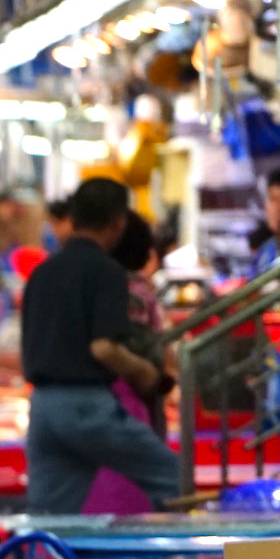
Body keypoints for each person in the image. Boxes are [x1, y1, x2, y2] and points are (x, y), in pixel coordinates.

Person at [20, 178, 175, 514]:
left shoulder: (41, 273)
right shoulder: (106, 272)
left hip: (43, 407)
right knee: (173, 478)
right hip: (85, 406)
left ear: (74, 217)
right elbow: (104, 347)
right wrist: (147, 374)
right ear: (119, 222)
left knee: (50, 516)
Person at [81, 212, 172, 516]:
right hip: (133, 394)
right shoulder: (134, 289)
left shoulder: (105, 284)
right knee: (147, 480)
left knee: (113, 484)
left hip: (112, 394)